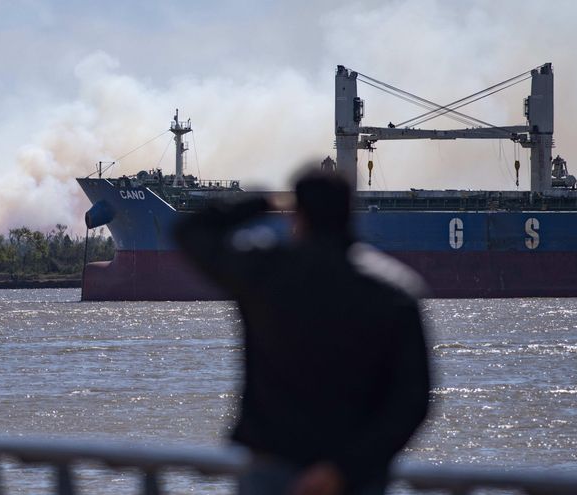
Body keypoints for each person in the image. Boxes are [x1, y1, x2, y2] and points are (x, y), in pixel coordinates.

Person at [173, 169, 431, 495]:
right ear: (351, 212)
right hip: (355, 479)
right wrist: (345, 469)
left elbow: (190, 231)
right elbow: (413, 402)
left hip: (271, 471)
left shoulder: (264, 273)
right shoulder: (395, 291)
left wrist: (263, 201)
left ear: (298, 214)